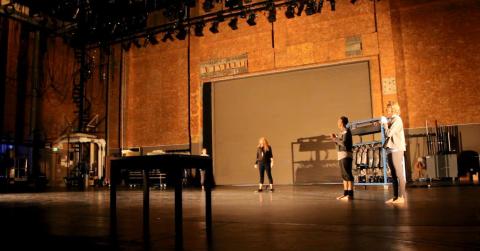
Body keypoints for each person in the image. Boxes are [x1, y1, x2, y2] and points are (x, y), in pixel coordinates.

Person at [382, 102, 407, 204]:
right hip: (390, 148)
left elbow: (388, 133)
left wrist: (384, 125)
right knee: (393, 173)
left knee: (399, 172)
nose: (386, 111)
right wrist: (385, 124)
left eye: (388, 109)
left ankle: (402, 196)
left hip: (397, 148)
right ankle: (395, 196)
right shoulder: (392, 120)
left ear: (393, 110)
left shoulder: (397, 120)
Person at [331, 116, 354, 200]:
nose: (337, 123)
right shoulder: (342, 132)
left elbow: (344, 144)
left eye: (339, 121)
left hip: (346, 154)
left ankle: (350, 194)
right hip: (341, 154)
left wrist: (336, 139)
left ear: (342, 123)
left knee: (348, 174)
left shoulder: (346, 131)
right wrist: (335, 139)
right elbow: (339, 144)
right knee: (344, 175)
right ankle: (345, 194)